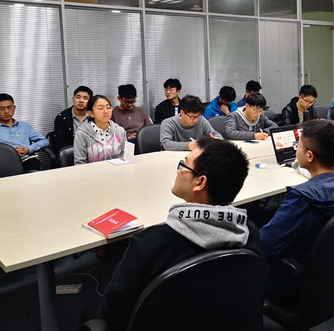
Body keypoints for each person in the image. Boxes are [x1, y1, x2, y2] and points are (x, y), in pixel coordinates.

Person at [96, 137, 258, 331]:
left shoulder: (149, 243)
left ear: (200, 182)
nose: (178, 170)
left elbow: (114, 312)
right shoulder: (249, 232)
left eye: (184, 165)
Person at [259, 120, 334, 303]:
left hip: (293, 280)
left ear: (310, 156)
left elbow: (266, 245)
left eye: (298, 146)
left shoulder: (302, 198)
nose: (296, 150)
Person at [0, 93, 49, 171]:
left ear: (14, 108)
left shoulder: (25, 126)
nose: (6, 111)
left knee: (33, 166)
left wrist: (28, 149)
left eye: (9, 107)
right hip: (1, 164)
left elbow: (44, 141)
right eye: (2, 109)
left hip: (26, 161)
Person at [74, 95, 126, 164]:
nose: (106, 111)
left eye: (108, 108)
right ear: (91, 113)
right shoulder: (81, 134)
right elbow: (80, 162)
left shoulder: (120, 131)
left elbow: (125, 155)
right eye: (101, 108)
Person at [52, 86, 93, 153]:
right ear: (73, 99)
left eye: (85, 98)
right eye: (78, 97)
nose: (81, 101)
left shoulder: (94, 116)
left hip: (92, 152)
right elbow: (60, 143)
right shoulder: (62, 118)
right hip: (71, 153)